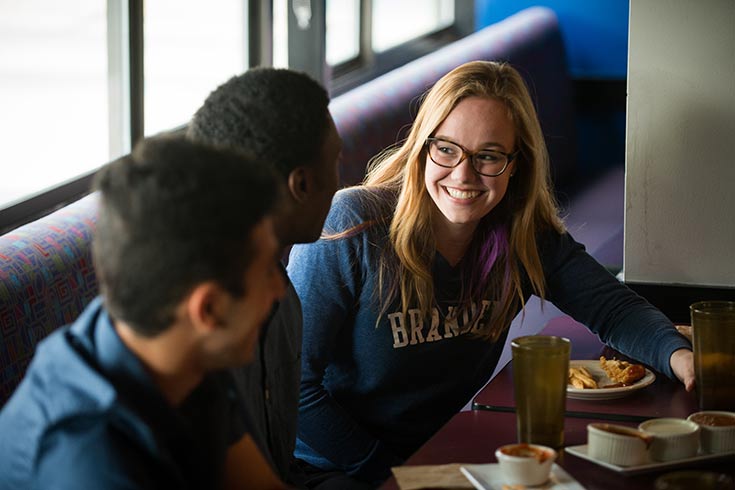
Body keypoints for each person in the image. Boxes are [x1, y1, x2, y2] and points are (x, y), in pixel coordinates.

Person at [286, 61, 695, 486]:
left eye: (488, 156)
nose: (463, 174)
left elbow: (612, 309)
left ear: (516, 163)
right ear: (422, 147)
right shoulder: (352, 225)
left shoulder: (523, 237)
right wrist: (393, 474)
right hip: (331, 466)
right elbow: (293, 389)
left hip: (445, 453)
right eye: (446, 148)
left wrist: (679, 356)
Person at [0, 136, 288, 489]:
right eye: (268, 272)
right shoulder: (89, 465)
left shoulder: (169, 341)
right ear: (208, 309)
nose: (279, 289)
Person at [187, 67, 342, 486]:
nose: (339, 182)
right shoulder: (198, 331)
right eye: (336, 163)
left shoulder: (280, 293)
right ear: (302, 184)